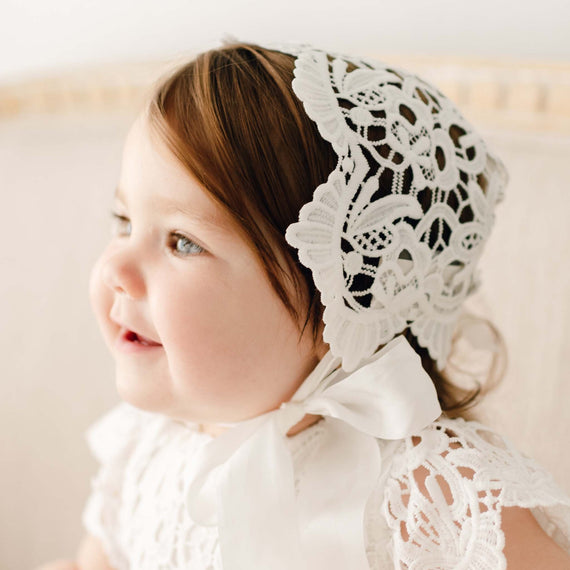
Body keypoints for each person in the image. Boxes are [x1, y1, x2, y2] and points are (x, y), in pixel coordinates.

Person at [37, 42, 570, 570]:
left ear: (342, 307)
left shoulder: (429, 494)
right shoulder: (146, 446)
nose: (115, 269)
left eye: (183, 241)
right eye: (124, 222)